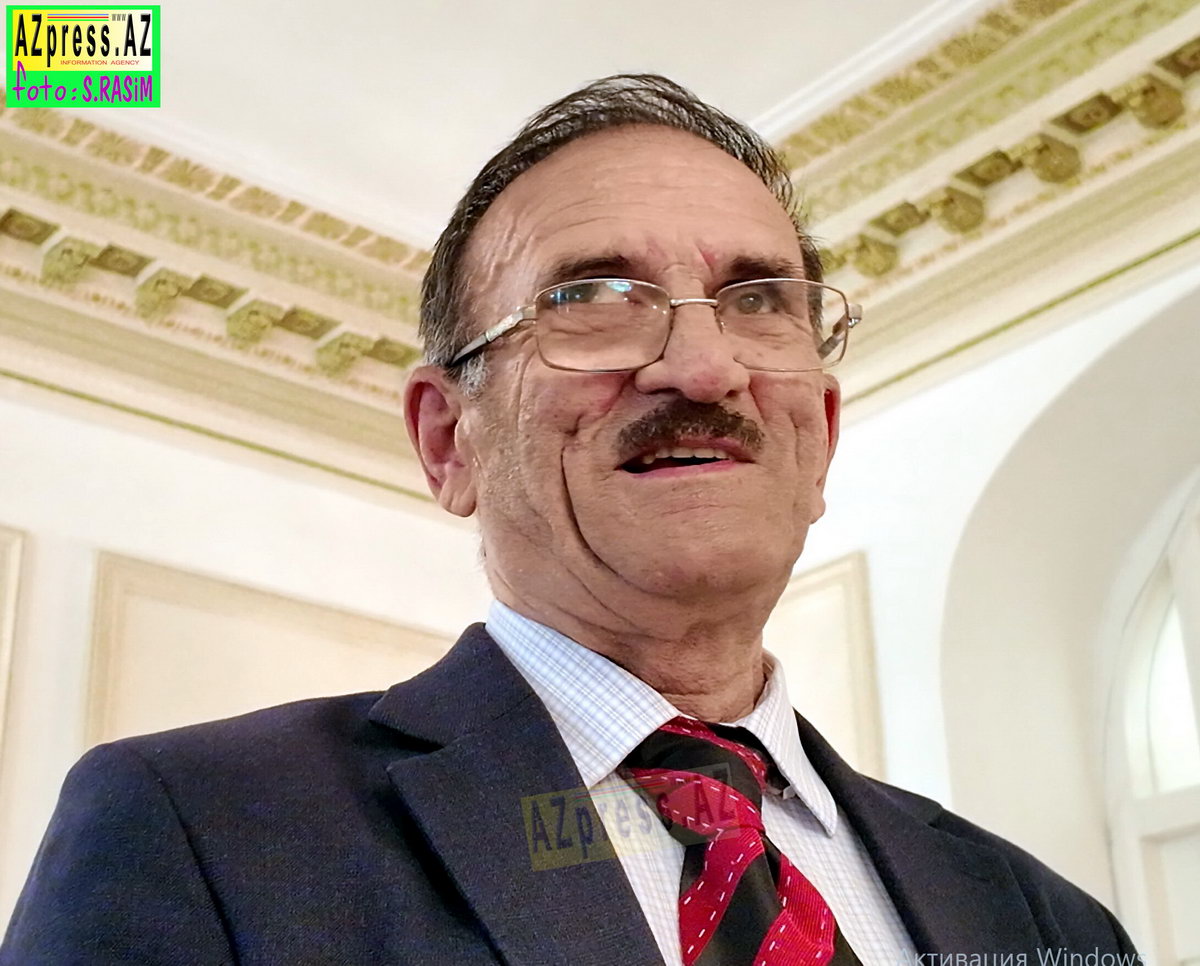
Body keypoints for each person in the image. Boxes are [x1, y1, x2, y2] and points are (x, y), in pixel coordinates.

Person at [1, 74, 1137, 966]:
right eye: (589, 299)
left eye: (756, 301)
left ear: (822, 432)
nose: (703, 367)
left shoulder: (1047, 919)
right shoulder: (200, 832)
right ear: (449, 441)